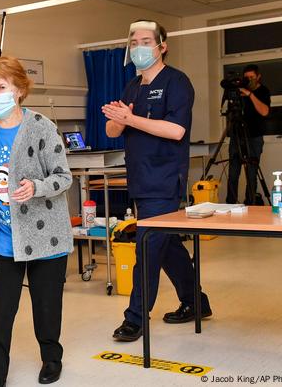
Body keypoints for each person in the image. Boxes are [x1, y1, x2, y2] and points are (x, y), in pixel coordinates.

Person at [0, 56, 73, 387]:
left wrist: (36, 187)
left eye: (2, 87)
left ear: (20, 89)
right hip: (3, 236)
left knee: (46, 307)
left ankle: (52, 358)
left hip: (45, 236)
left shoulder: (41, 126)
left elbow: (63, 176)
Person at [102, 20, 212, 342]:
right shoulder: (132, 87)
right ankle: (196, 302)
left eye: (146, 41)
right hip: (140, 178)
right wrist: (119, 121)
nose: (139, 47)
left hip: (164, 179)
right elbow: (112, 131)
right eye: (134, 41)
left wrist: (130, 118)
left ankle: (135, 318)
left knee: (147, 248)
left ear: (162, 46)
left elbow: (176, 130)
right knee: (167, 247)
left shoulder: (177, 82)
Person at [225, 64, 271, 205]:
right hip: (237, 136)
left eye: (252, 77)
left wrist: (250, 94)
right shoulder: (238, 92)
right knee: (233, 173)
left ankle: (250, 204)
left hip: (254, 137)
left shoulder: (263, 91)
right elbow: (230, 112)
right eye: (246, 78)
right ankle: (231, 204)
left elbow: (264, 111)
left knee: (251, 174)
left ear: (258, 77)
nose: (249, 80)